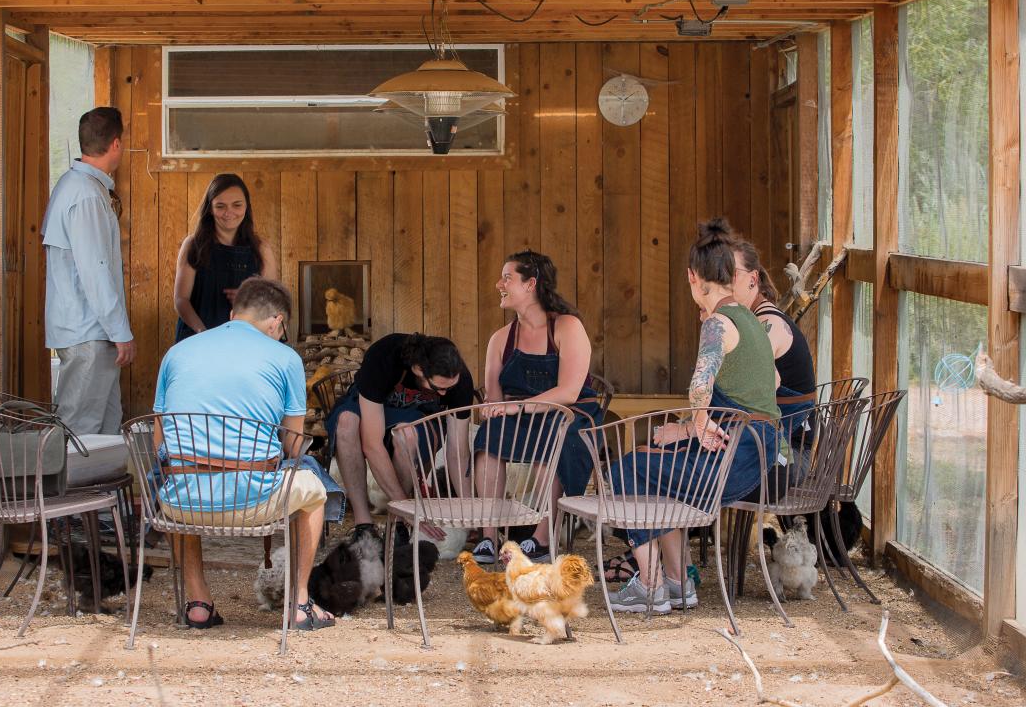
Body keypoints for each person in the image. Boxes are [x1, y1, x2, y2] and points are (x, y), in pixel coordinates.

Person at [607, 218, 780, 613]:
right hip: (757, 448)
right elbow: (765, 385)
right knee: (658, 474)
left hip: (738, 457)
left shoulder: (718, 323)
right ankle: (677, 582)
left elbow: (700, 385)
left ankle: (649, 586)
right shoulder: (753, 320)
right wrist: (689, 429)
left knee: (625, 472)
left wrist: (698, 424)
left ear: (693, 277)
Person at [153, 277, 335, 631]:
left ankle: (198, 601)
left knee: (181, 470)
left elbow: (160, 444)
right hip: (254, 501)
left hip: (181, 504)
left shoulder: (177, 352)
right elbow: (294, 446)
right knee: (315, 489)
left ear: (234, 314)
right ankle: (299, 603)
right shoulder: (286, 358)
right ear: (277, 322)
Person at [470, 250, 603, 565]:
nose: (498, 284)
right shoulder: (501, 339)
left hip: (569, 415)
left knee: (553, 437)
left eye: (507, 278)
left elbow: (570, 391)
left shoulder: (566, 327)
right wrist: (492, 408)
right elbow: (494, 397)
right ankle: (489, 536)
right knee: (489, 437)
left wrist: (517, 408)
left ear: (531, 284)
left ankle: (542, 537)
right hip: (520, 417)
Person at [324, 333, 475, 541]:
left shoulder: (460, 380)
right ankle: (363, 524)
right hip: (374, 408)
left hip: (418, 415)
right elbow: (372, 445)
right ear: (418, 369)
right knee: (347, 422)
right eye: (438, 388)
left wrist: (474, 513)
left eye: (449, 388)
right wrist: (408, 507)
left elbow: (459, 453)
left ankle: (397, 523)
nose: (443, 394)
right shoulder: (384, 356)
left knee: (407, 434)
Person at [41, 107, 135, 435]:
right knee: (80, 432)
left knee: (107, 427)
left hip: (92, 330)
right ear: (116, 144)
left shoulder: (78, 187)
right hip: (89, 330)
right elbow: (95, 272)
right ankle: (68, 488)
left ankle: (103, 488)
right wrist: (120, 331)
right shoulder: (86, 196)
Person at [731, 235, 817, 452]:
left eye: (731, 273)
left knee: (655, 461)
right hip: (759, 441)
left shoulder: (769, 324)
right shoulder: (752, 320)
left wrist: (692, 431)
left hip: (784, 455)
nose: (723, 281)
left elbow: (757, 390)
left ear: (753, 279)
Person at [173, 173, 278, 343]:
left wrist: (249, 301)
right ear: (210, 209)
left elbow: (274, 302)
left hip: (248, 342)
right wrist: (203, 333)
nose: (229, 212)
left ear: (246, 207)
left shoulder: (261, 248)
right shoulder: (193, 245)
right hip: (199, 339)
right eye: (220, 206)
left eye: (237, 205)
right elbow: (181, 300)